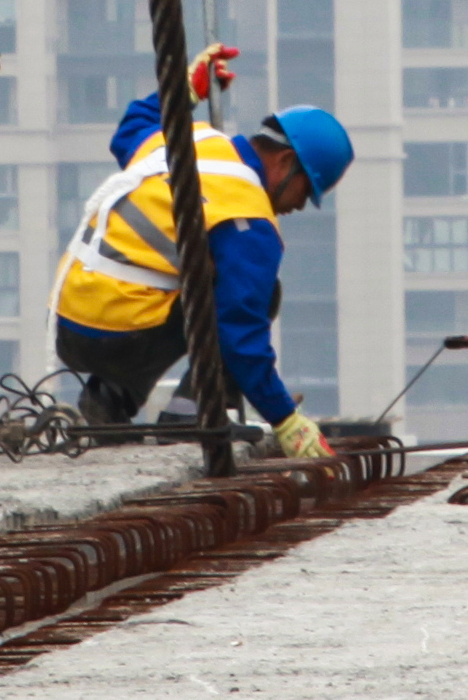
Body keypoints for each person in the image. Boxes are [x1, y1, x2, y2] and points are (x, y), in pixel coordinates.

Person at [51, 58, 352, 461]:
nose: (298, 206)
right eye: (305, 191)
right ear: (285, 164)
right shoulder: (248, 219)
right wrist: (286, 420)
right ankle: (187, 420)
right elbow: (242, 340)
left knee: (199, 281)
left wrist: (185, 94)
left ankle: (108, 402)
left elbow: (130, 128)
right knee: (254, 299)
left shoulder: (190, 141)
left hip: (70, 318)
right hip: (119, 333)